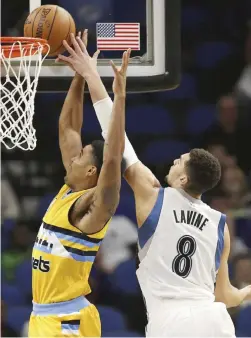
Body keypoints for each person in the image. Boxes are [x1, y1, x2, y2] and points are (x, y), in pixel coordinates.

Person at [88, 65, 251, 337]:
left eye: (180, 161)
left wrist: (94, 77)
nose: (174, 160)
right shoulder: (220, 223)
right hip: (214, 321)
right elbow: (224, 296)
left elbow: (117, 145)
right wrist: (246, 292)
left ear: (184, 179)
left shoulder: (154, 196)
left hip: (171, 323)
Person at [28, 30, 130, 337]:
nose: (72, 158)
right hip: (48, 316)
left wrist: (119, 97)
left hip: (66, 322)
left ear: (92, 172)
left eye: (81, 157)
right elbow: (68, 126)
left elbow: (113, 158)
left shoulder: (92, 210)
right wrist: (79, 76)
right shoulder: (70, 191)